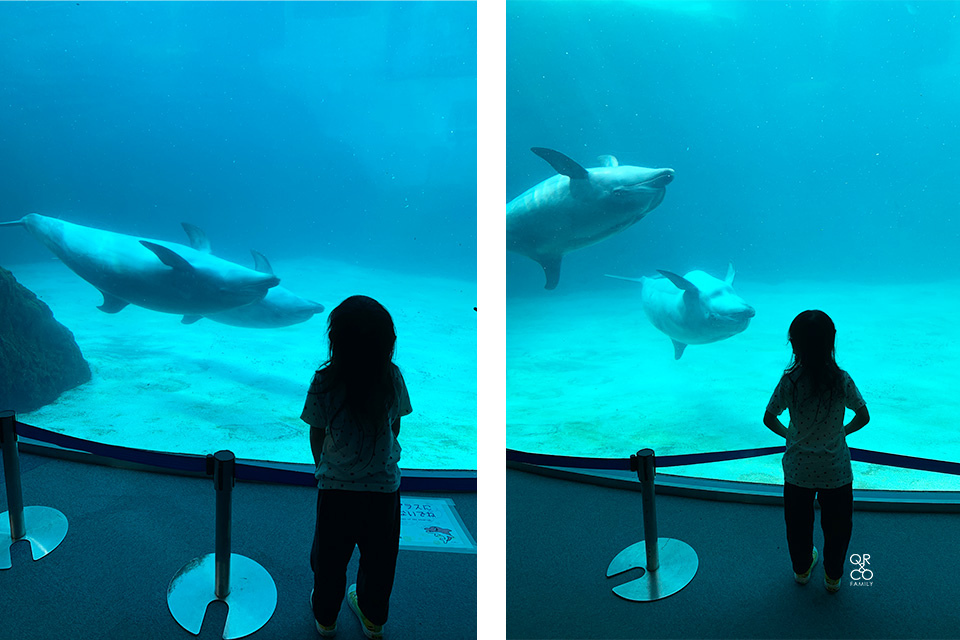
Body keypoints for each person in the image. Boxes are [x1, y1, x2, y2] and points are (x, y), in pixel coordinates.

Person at [301, 295, 412, 638]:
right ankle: (373, 619)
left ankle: (325, 620)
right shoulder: (392, 377)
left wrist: (326, 466)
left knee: (330, 558)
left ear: (335, 341)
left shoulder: (324, 381)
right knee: (380, 560)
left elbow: (316, 432)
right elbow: (395, 425)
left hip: (336, 490)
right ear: (388, 343)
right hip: (383, 491)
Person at [763, 310, 869, 593]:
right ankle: (833, 577)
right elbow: (863, 416)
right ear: (831, 342)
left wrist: (791, 436)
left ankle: (801, 571)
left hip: (798, 469)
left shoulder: (791, 380)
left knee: (797, 525)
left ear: (794, 344)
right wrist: (841, 432)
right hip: (835, 470)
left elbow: (769, 417)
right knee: (837, 527)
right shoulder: (841, 380)